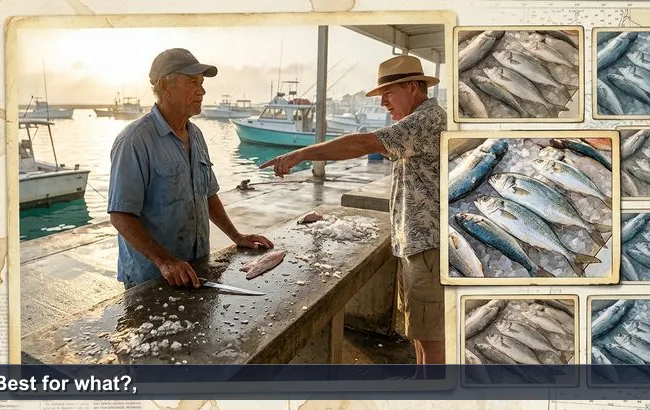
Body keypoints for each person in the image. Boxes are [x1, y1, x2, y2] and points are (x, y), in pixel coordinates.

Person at [259, 55, 447, 365]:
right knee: (420, 330)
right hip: (416, 246)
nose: (384, 102)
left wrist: (301, 155)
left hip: (428, 248)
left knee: (433, 339)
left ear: (414, 87)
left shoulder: (427, 119)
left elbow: (361, 144)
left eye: (389, 92)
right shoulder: (414, 124)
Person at [108, 48, 273, 289]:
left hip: (195, 268)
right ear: (165, 86)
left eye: (202, 83)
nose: (202, 90)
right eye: (192, 82)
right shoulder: (135, 139)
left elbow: (207, 194)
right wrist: (165, 261)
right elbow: (120, 216)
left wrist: (236, 236)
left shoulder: (195, 135)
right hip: (152, 277)